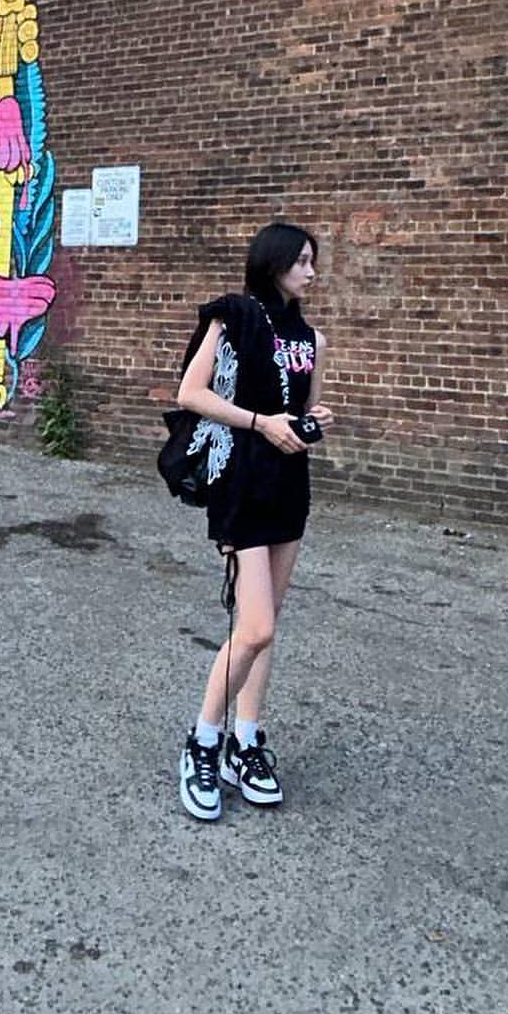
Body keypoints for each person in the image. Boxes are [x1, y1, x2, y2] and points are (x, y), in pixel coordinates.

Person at [172, 222, 333, 821]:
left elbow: (303, 408)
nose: (311, 272)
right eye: (302, 261)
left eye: (313, 261)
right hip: (241, 481)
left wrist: (313, 422)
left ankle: (246, 739)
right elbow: (191, 393)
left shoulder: (312, 337)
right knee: (256, 627)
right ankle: (202, 741)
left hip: (290, 483)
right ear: (273, 262)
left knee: (267, 624)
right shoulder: (233, 318)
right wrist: (262, 422)